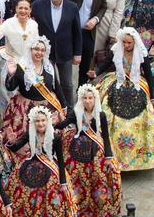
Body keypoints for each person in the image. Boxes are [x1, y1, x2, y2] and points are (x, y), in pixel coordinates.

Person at [93, 27, 154, 171]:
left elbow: (149, 76)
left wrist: (153, 97)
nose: (126, 45)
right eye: (124, 42)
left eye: (129, 43)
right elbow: (105, 65)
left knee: (148, 118)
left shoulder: (141, 54)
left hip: (137, 84)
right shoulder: (116, 50)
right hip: (117, 83)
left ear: (134, 42)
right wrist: (95, 72)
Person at [54, 84, 122, 217]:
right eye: (85, 98)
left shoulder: (100, 115)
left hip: (96, 148)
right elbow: (64, 124)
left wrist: (108, 157)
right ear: (81, 99)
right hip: (76, 147)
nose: (88, 101)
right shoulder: (76, 112)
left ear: (95, 99)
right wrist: (54, 123)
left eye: (90, 98)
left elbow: (106, 137)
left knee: (100, 175)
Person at [1, 37, 67, 152]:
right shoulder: (22, 66)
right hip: (24, 108)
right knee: (25, 139)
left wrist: (64, 105)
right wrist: (11, 74)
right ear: (30, 50)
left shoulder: (49, 66)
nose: (39, 52)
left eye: (42, 50)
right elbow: (10, 87)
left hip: (47, 106)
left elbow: (56, 86)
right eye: (36, 49)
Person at [4, 106, 72, 217]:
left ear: (48, 121)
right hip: (29, 166)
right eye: (37, 121)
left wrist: (63, 183)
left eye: (43, 120)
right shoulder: (29, 134)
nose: (40, 124)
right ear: (33, 122)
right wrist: (11, 141)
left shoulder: (55, 138)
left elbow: (60, 161)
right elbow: (15, 147)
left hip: (50, 169)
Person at [31, 0, 82, 106]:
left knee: (67, 84)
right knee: (48, 82)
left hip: (65, 52)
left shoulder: (72, 7)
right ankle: (52, 108)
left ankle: (69, 109)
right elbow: (30, 23)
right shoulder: (38, 5)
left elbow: (77, 32)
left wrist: (78, 53)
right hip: (45, 53)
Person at [61, 0, 106, 87]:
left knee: (86, 64)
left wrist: (96, 19)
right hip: (70, 31)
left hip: (87, 32)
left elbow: (104, 6)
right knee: (66, 64)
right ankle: (65, 91)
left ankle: (81, 92)